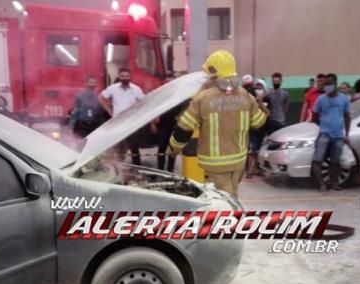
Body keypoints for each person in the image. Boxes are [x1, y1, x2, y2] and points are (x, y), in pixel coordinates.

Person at [168, 50, 268, 197]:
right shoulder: (246, 95)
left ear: (213, 74)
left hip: (215, 166)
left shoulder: (202, 98)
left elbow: (184, 129)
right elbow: (258, 122)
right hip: (239, 162)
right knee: (232, 196)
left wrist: (173, 149)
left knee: (222, 202)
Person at [311, 73, 351, 191]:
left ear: (335, 84)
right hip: (324, 133)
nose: (327, 86)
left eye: (329, 84)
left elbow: (347, 116)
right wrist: (322, 125)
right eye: (325, 84)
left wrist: (347, 134)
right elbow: (314, 115)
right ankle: (322, 184)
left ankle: (334, 183)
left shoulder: (344, 99)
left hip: (338, 135)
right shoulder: (321, 99)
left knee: (335, 161)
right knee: (318, 160)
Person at [99, 67, 145, 165]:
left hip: (132, 123)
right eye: (123, 76)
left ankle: (137, 168)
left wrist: (139, 115)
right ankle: (119, 168)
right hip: (118, 123)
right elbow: (100, 98)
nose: (125, 78)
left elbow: (144, 103)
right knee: (118, 147)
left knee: (134, 147)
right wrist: (109, 111)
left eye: (127, 76)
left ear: (130, 76)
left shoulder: (136, 89)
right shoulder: (113, 88)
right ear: (119, 77)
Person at [154, 73, 187, 171]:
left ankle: (170, 170)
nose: (169, 83)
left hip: (175, 125)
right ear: (164, 82)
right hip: (162, 125)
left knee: (173, 149)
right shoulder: (160, 94)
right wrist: (153, 123)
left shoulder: (181, 94)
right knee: (161, 148)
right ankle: (160, 170)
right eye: (167, 81)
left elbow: (185, 108)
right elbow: (153, 108)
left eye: (171, 81)